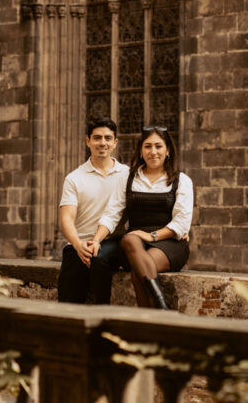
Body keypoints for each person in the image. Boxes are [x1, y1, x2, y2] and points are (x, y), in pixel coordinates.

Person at [93, 125, 193, 310]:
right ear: (140, 150)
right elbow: (112, 214)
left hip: (169, 242)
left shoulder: (182, 181)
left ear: (168, 150)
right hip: (134, 244)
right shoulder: (128, 178)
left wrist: (151, 236)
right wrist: (96, 240)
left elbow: (181, 224)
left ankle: (151, 317)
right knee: (131, 240)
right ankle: (161, 310)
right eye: (147, 146)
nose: (153, 152)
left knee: (140, 268)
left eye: (158, 146)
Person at [57, 117, 129, 304]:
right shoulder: (74, 178)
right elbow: (67, 219)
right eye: (97, 138)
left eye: (107, 138)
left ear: (115, 143)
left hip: (113, 244)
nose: (102, 143)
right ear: (88, 142)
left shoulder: (128, 174)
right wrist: (78, 244)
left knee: (99, 261)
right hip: (79, 243)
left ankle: (102, 319)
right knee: (68, 304)